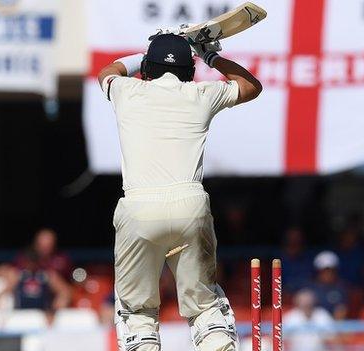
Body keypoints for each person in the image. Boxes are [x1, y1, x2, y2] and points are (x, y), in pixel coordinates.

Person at [98, 33, 262, 351]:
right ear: (189, 70)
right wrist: (209, 57)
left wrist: (143, 53)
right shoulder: (200, 93)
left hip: (139, 209)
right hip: (190, 207)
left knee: (137, 311)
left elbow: (108, 72)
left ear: (147, 67)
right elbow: (250, 86)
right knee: (203, 306)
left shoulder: (127, 91)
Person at [307, 251, 349, 319]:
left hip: (333, 326)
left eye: (331, 271)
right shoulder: (310, 288)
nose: (328, 274)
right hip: (313, 325)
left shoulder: (340, 289)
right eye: (324, 271)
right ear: (318, 271)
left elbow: (341, 312)